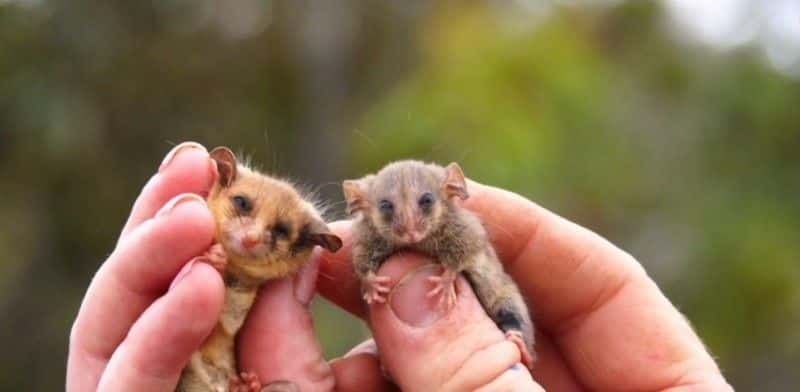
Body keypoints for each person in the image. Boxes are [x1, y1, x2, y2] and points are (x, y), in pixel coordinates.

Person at [66, 142, 733, 391]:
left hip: (502, 330)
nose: (409, 229)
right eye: (389, 213)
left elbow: (477, 265)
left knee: (500, 292)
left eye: (423, 209)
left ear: (451, 193)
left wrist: (488, 339)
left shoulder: (458, 230)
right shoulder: (220, 252)